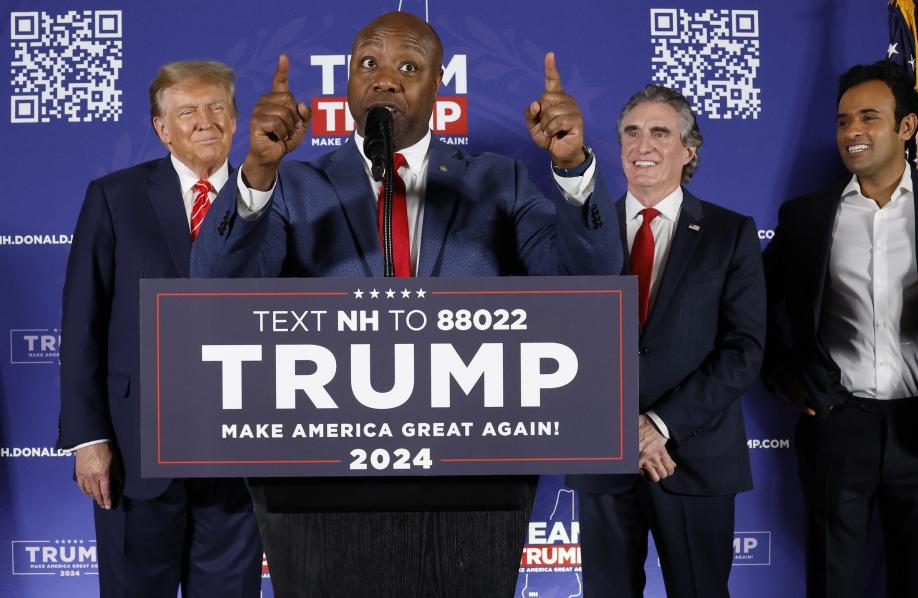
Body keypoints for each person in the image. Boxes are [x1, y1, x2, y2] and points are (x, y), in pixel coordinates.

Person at [191, 10, 621, 597]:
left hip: (471, 486)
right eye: (369, 63)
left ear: (438, 84)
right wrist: (258, 172)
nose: (385, 78)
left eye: (408, 66)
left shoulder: (502, 182)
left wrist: (571, 169)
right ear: (346, 79)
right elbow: (214, 286)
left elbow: (589, 280)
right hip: (319, 485)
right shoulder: (289, 187)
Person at [57, 60, 262, 598]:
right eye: (187, 111)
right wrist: (89, 438)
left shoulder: (273, 199)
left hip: (238, 457)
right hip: (134, 451)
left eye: (217, 107)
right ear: (161, 127)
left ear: (235, 120)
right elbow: (83, 321)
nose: (205, 121)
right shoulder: (114, 197)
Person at [763, 60, 918, 598]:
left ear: (908, 127)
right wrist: (787, 378)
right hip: (837, 426)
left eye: (869, 117)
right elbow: (754, 306)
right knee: (832, 585)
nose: (852, 132)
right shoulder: (805, 216)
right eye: (843, 120)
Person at [565, 85, 765, 598]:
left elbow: (744, 350)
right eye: (632, 132)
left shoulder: (730, 233)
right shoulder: (585, 232)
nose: (643, 144)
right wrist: (622, 430)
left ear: (688, 149)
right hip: (604, 458)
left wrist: (656, 426)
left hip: (693, 458)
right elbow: (564, 345)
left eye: (660, 132)